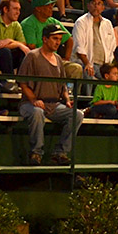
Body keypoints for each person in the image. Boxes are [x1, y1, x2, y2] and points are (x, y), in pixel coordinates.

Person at [17, 24, 84, 165]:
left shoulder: (59, 59)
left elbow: (63, 84)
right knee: (37, 112)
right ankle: (36, 153)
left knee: (77, 114)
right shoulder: (32, 56)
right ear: (45, 39)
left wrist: (66, 99)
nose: (58, 42)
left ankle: (60, 152)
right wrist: (34, 99)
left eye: (59, 39)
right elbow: (22, 83)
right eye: (54, 38)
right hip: (30, 103)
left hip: (54, 104)